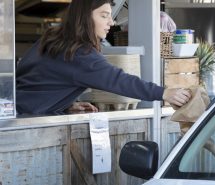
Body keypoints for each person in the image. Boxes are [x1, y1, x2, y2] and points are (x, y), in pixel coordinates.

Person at [16, 0, 191, 115]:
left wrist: (65, 105)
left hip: (15, 117)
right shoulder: (79, 53)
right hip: (26, 128)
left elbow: (35, 83)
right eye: (104, 16)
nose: (111, 22)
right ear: (84, 18)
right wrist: (164, 93)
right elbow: (119, 80)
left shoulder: (51, 38)